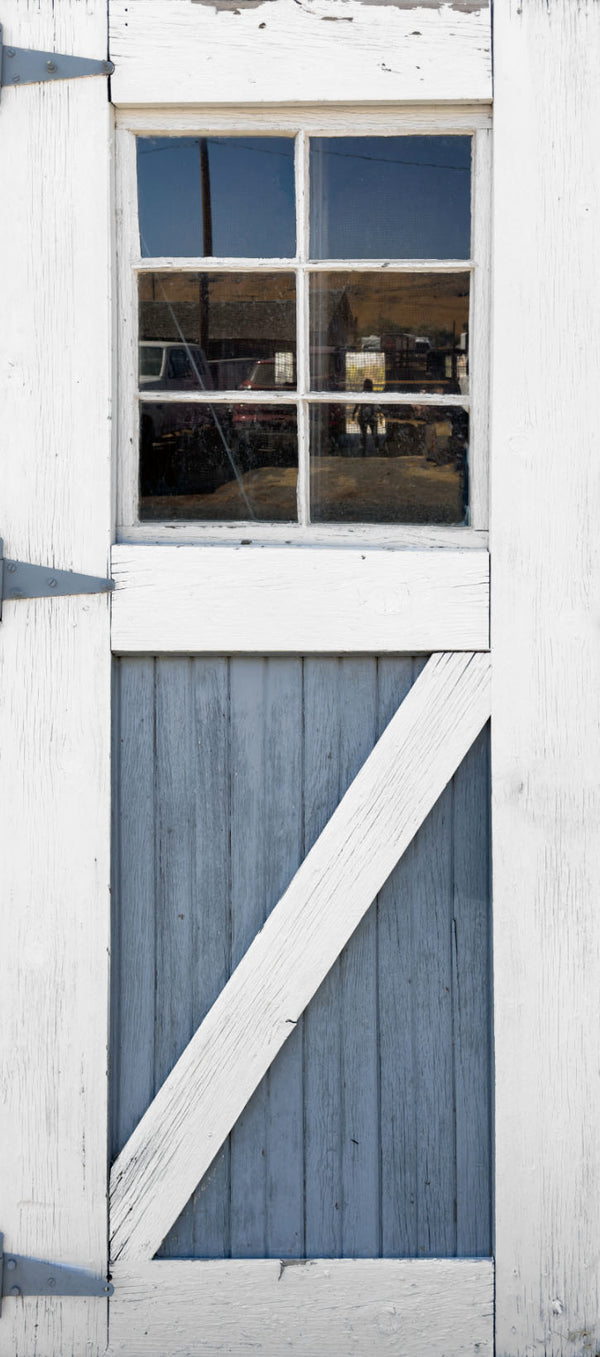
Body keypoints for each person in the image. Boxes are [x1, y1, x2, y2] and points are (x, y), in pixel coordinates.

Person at [353, 378, 380, 455]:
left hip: (370, 416)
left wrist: (354, 414)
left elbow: (377, 406)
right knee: (365, 435)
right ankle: (365, 449)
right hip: (364, 416)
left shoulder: (372, 394)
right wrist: (354, 414)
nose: (368, 388)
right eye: (366, 386)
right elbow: (357, 405)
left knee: (372, 434)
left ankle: (376, 449)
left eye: (369, 386)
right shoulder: (363, 394)